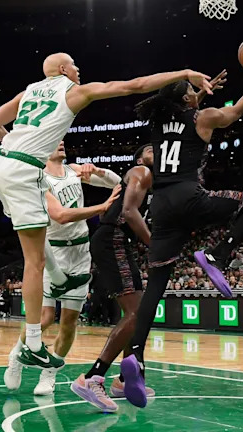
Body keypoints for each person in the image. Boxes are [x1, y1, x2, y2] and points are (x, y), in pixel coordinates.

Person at [0, 53, 212, 373]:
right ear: (63, 70)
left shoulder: (28, 92)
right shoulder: (75, 91)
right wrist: (185, 69)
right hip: (23, 171)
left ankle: (34, 343)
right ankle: (32, 343)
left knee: (38, 258)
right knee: (34, 261)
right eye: (75, 65)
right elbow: (136, 85)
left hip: (2, 163)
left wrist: (18, 146)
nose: (79, 69)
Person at [118, 57, 243, 408]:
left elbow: (182, 113)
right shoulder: (202, 118)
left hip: (161, 208)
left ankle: (136, 357)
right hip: (191, 198)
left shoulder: (159, 122)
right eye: (193, 92)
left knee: (155, 287)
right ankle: (218, 254)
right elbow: (236, 111)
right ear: (188, 100)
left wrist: (197, 94)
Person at [4, 140, 122, 396]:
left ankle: (49, 374)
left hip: (80, 251)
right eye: (54, 140)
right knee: (45, 317)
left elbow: (117, 182)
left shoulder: (74, 170)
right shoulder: (38, 180)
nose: (60, 142)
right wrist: (101, 208)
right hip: (53, 252)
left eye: (62, 140)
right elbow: (60, 215)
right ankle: (16, 356)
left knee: (69, 321)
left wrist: (98, 172)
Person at [72, 144, 155, 412]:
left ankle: (123, 380)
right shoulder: (141, 171)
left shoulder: (156, 184)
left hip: (120, 242)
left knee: (139, 315)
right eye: (151, 149)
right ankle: (92, 377)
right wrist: (155, 246)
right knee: (137, 313)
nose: (157, 151)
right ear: (140, 158)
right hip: (113, 239)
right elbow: (129, 213)